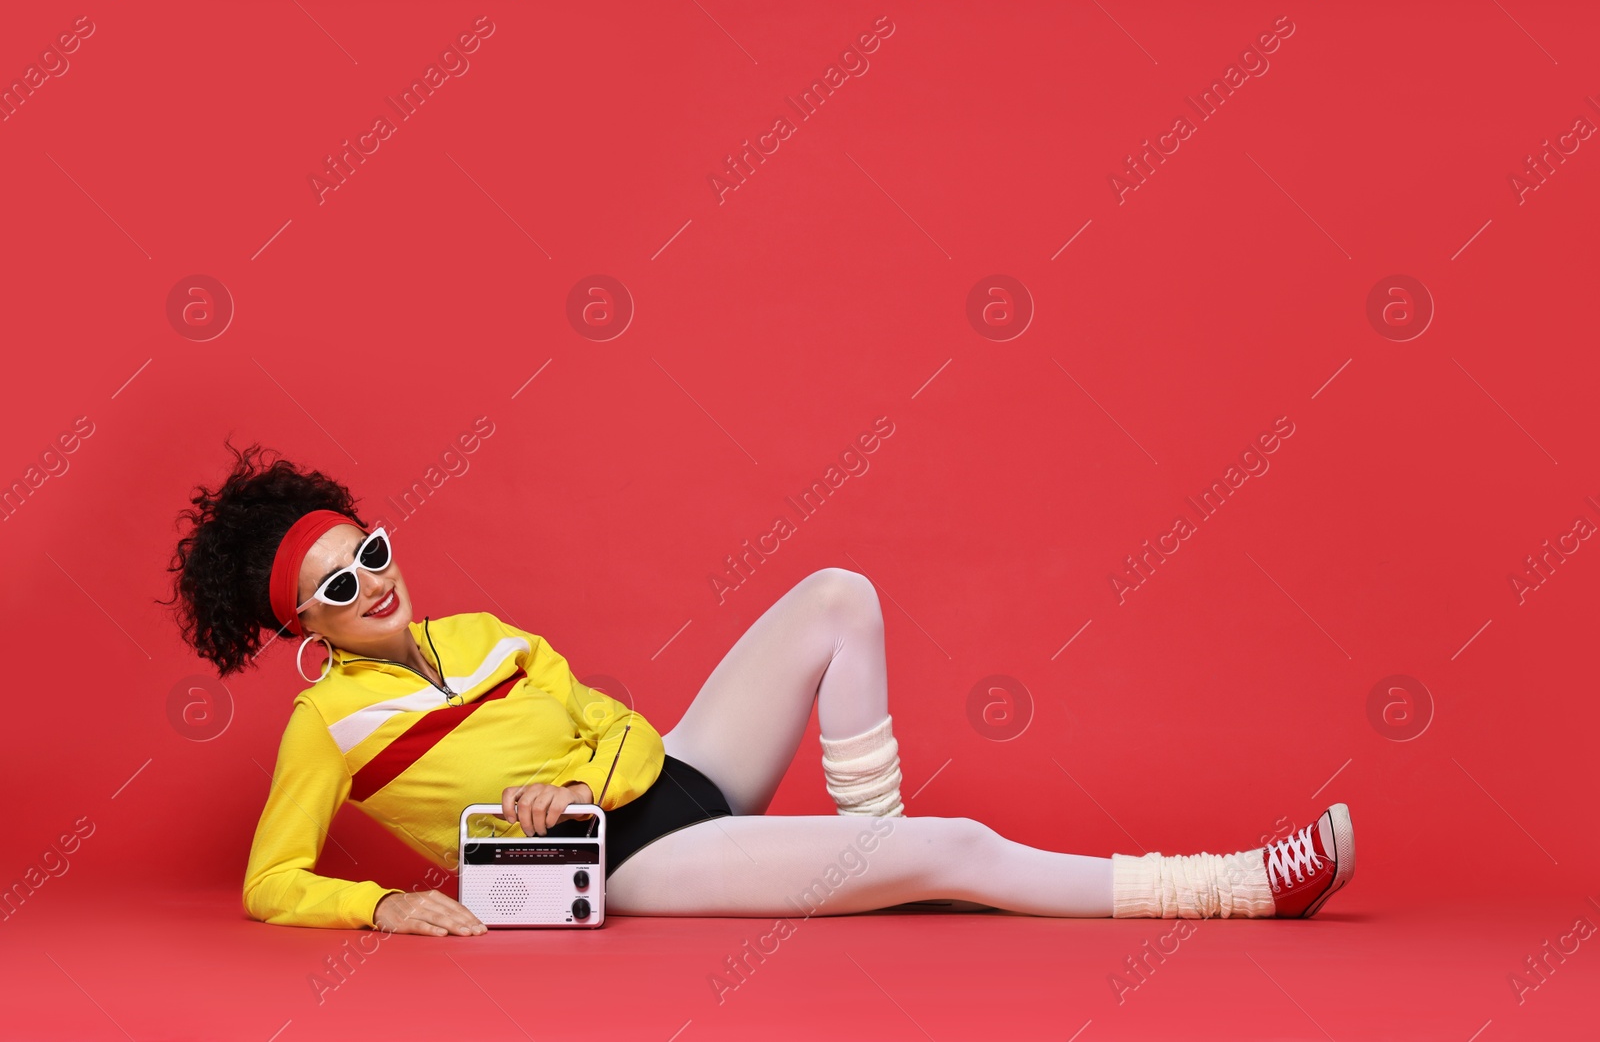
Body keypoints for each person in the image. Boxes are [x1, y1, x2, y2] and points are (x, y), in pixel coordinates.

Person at [159, 440, 1355, 937]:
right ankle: (1235, 886)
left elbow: (588, 713)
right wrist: (392, 907)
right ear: (301, 628)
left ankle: (875, 851)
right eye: (334, 586)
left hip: (675, 768)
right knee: (963, 841)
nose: (371, 580)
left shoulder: (477, 630)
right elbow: (272, 877)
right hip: (626, 855)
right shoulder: (328, 722)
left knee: (839, 593)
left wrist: (576, 758)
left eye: (367, 550)